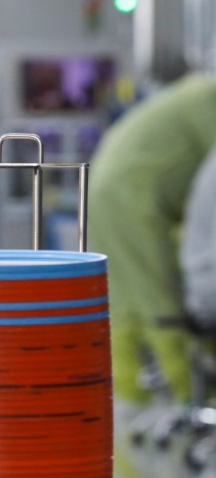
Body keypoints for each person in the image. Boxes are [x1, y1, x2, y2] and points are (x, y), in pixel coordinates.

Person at [87, 73, 216, 478]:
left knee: (131, 316)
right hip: (134, 205)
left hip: (123, 197)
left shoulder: (198, 92)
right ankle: (166, 429)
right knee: (162, 325)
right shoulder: (208, 100)